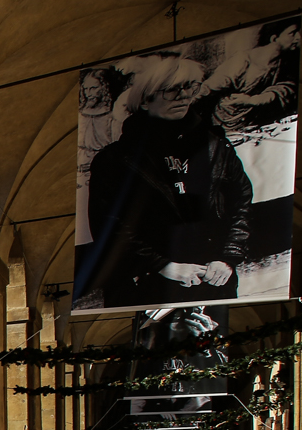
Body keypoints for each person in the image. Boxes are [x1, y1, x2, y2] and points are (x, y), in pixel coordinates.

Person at [82, 54, 253, 309]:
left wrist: (228, 257)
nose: (183, 96)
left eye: (190, 87)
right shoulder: (116, 159)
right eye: (172, 90)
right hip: (148, 284)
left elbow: (241, 202)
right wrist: (161, 265)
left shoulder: (216, 148)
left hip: (212, 276)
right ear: (145, 99)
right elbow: (110, 225)